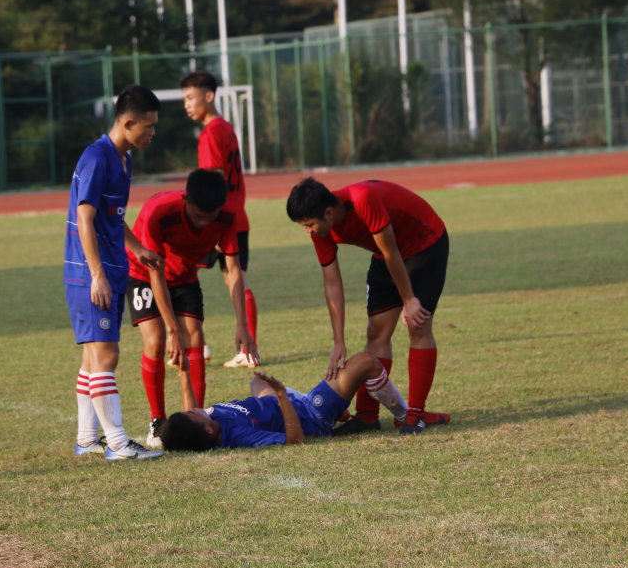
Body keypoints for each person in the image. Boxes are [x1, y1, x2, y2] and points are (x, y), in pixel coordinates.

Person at [285, 177, 451, 435]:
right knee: (376, 333)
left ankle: (415, 414)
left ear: (328, 213)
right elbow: (332, 283)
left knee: (418, 325)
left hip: (424, 244)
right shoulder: (321, 231)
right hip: (386, 253)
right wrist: (338, 341)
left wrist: (409, 299)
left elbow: (392, 251)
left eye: (309, 225)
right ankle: (367, 415)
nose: (309, 231)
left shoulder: (363, 199)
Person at [63, 85, 165, 460]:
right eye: (148, 126)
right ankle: (119, 444)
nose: (153, 133)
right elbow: (85, 218)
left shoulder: (124, 159)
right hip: (92, 275)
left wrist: (137, 248)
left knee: (93, 358)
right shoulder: (97, 158)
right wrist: (97, 275)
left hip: (110, 268)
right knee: (107, 356)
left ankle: (87, 439)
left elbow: (111, 217)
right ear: (128, 123)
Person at [126, 169, 259, 448]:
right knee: (157, 341)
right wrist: (172, 330)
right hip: (144, 273)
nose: (203, 223)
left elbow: (233, 270)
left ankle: (195, 418)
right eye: (198, 216)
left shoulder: (228, 216)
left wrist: (242, 325)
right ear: (186, 199)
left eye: (210, 217)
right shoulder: (159, 211)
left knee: (195, 339)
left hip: (185, 275)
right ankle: (157, 420)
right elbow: (155, 272)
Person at [158, 352, 407, 451]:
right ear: (208, 429)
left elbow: (188, 418)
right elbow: (295, 441)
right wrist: (281, 395)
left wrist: (184, 373)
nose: (194, 408)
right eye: (194, 413)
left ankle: (337, 405)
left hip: (271, 402)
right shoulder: (240, 436)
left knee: (256, 382)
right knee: (365, 362)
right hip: (309, 414)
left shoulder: (201, 427)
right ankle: (406, 416)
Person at [180, 71, 260, 368]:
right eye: (184, 99)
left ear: (209, 96)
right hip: (236, 216)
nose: (187, 105)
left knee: (182, 273)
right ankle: (248, 348)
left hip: (217, 219)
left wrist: (213, 226)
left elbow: (214, 182)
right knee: (236, 278)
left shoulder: (211, 132)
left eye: (191, 97)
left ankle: (198, 344)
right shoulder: (226, 127)